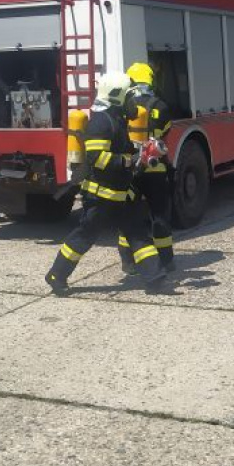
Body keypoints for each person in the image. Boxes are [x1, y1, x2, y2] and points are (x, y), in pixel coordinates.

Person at [45, 72, 166, 294]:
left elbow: (122, 151)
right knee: (84, 237)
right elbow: (97, 158)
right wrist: (128, 160)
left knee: (138, 233)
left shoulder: (117, 120)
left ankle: (155, 279)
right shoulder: (100, 122)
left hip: (120, 195)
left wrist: (141, 154)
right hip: (101, 198)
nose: (134, 103)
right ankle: (56, 275)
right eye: (129, 97)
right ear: (117, 97)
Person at [119, 62, 175, 272]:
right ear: (150, 80)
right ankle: (166, 261)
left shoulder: (123, 106)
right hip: (155, 170)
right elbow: (165, 136)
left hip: (131, 170)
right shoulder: (161, 106)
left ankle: (128, 261)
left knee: (129, 215)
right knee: (159, 215)